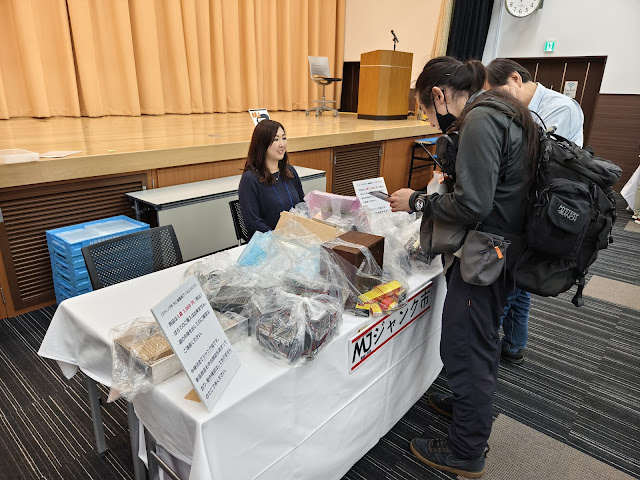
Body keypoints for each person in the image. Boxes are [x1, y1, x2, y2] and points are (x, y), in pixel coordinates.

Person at [389, 56, 539, 478]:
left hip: (485, 256)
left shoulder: (480, 119)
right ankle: (467, 405)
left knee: (466, 345)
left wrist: (418, 201)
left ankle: (466, 448)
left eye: (426, 110)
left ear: (439, 95)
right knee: (479, 339)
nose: (430, 120)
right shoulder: (505, 110)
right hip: (500, 250)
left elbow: (474, 203)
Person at [486, 58, 585, 364]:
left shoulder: (560, 108)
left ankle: (482, 354)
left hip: (546, 210)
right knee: (521, 279)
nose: (495, 101)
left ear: (515, 79)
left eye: (497, 92)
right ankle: (514, 345)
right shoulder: (522, 108)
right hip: (530, 206)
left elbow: (537, 162)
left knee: (508, 287)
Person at [238, 120, 305, 239]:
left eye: (284, 138)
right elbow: (253, 224)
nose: (282, 144)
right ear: (262, 143)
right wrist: (278, 238)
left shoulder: (290, 171)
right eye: (276, 139)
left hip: (295, 239)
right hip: (268, 243)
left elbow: (302, 206)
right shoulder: (250, 179)